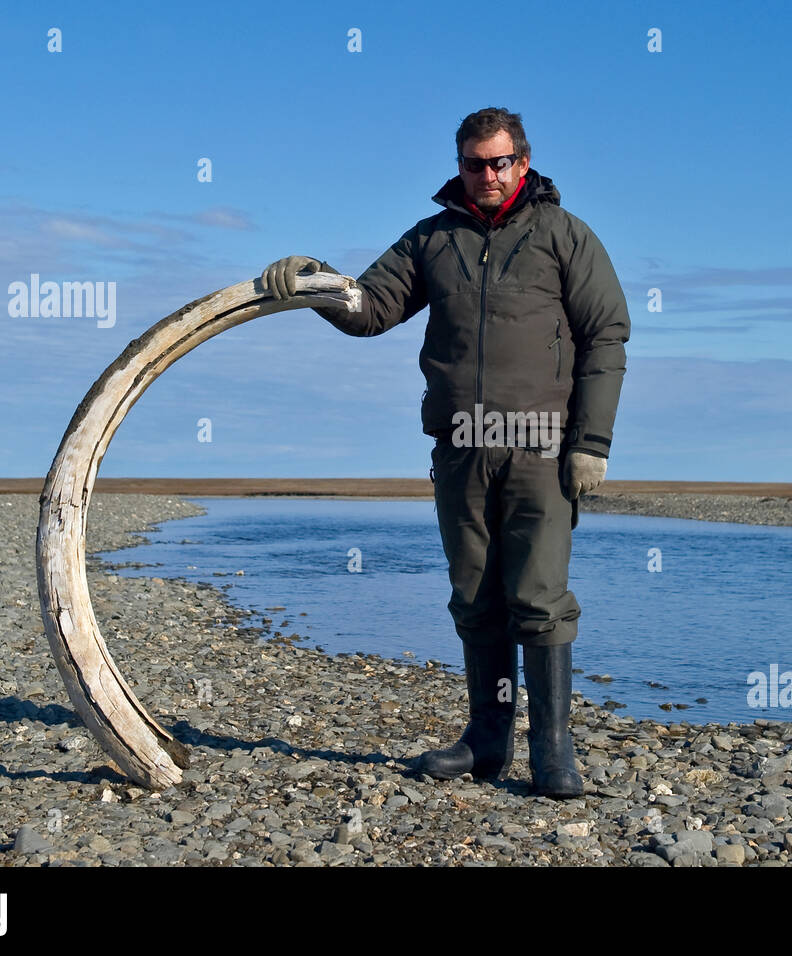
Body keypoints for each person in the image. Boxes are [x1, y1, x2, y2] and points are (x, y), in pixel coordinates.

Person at [262, 107, 630, 798]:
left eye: (499, 162)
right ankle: (487, 742)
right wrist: (315, 278)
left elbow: (606, 338)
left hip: (540, 449)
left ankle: (552, 752)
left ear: (522, 161)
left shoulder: (565, 237)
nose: (487, 175)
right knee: (475, 595)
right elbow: (369, 308)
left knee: (538, 596)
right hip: (461, 446)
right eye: (474, 164)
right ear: (459, 165)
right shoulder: (433, 239)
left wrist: (592, 443)